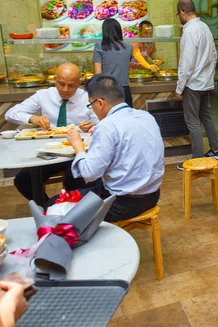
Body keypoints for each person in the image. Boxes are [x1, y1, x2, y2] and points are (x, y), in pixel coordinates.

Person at [57, 75, 163, 222]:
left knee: (55, 206)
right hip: (152, 194)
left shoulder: (107, 126)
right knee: (77, 183)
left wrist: (77, 145)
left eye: (91, 104)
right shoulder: (145, 116)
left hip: (122, 204)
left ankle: (86, 238)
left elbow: (89, 174)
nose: (92, 109)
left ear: (100, 103)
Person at [6, 63, 98, 202]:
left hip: (76, 152)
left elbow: (102, 124)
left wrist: (92, 126)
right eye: (61, 84)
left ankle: (72, 211)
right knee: (23, 180)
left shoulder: (87, 98)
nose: (65, 89)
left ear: (79, 83)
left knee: (74, 180)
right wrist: (32, 118)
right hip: (49, 150)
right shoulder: (44, 95)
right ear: (55, 80)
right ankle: (47, 208)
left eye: (71, 85)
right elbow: (11, 114)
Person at [175, 0, 218, 171]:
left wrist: (180, 87)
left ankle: (196, 158)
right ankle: (216, 149)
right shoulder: (205, 28)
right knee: (206, 116)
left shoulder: (189, 32)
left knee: (193, 121)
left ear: (181, 12)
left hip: (193, 84)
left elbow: (186, 63)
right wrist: (208, 76)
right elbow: (215, 55)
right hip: (205, 82)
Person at [93, 18, 134, 107]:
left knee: (109, 119)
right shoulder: (129, 47)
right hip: (124, 89)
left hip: (107, 90)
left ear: (104, 31)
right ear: (119, 31)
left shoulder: (99, 46)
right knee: (126, 117)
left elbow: (98, 73)